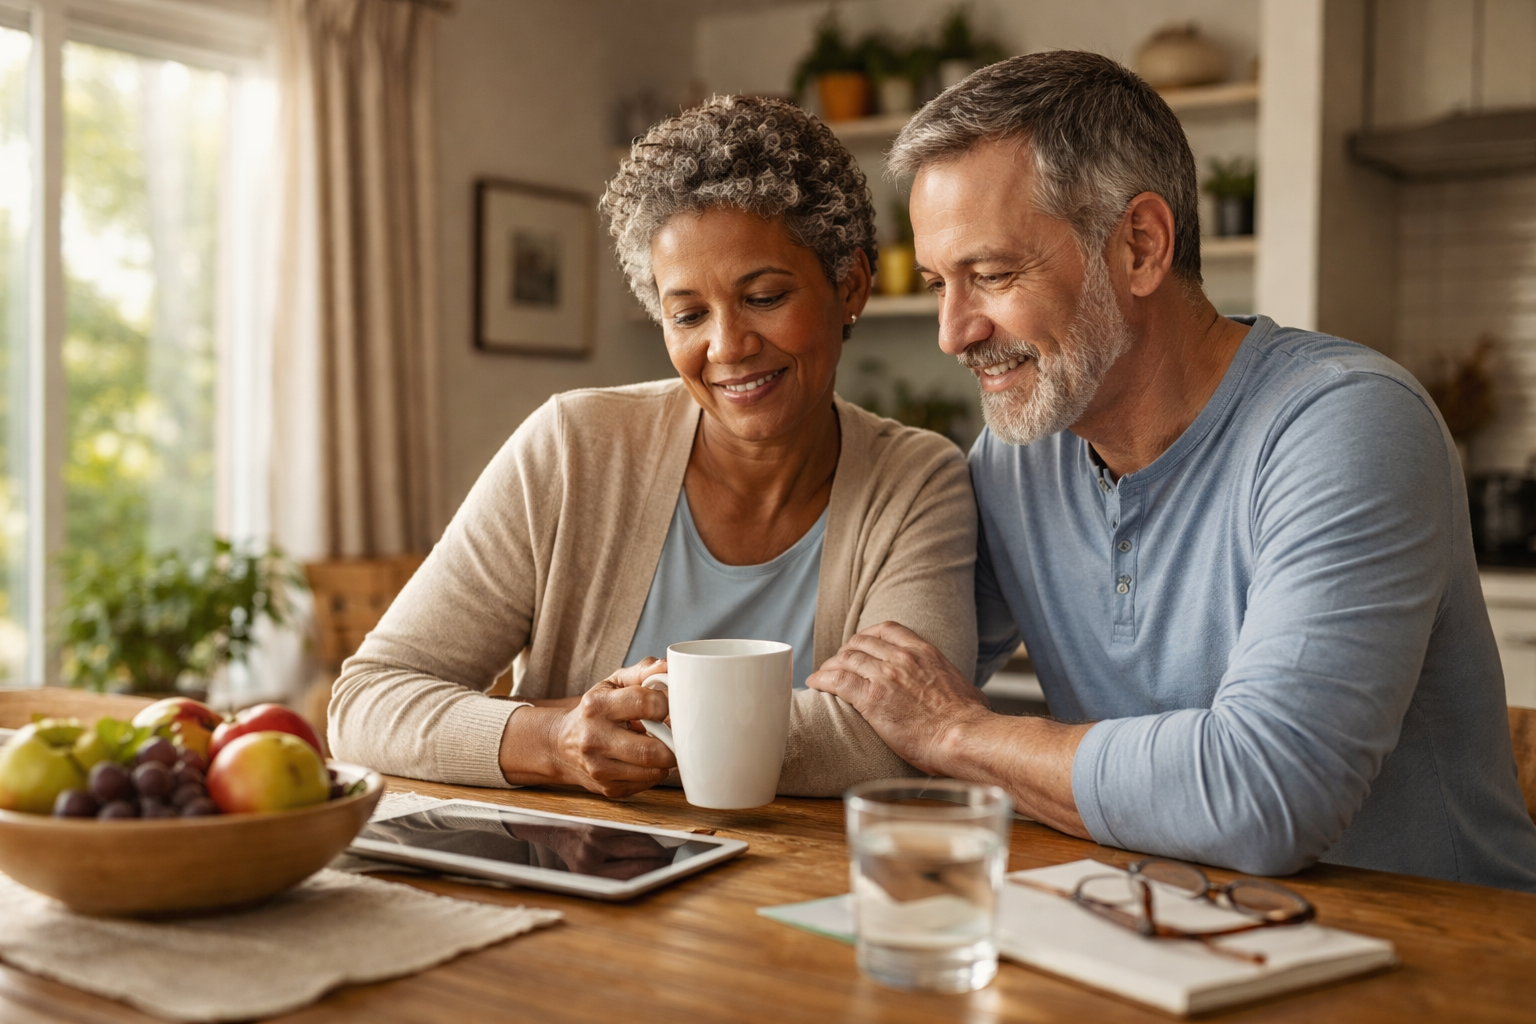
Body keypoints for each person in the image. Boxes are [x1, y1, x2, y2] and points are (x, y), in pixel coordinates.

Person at [808, 51, 1536, 891]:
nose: (953, 332)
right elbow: (869, 696)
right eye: (939, 284)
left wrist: (957, 734)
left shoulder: (1347, 424)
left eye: (993, 275)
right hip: (1164, 933)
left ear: (1141, 247)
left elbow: (1266, 796)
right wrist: (670, 710)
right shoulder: (1020, 456)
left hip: (1442, 967)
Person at [329, 96, 976, 800]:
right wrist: (552, 740)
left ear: (850, 284)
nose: (726, 347)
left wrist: (638, 724)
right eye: (689, 314)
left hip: (799, 888)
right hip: (578, 876)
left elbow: (897, 740)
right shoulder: (573, 450)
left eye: (763, 297)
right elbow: (366, 702)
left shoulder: (917, 482)